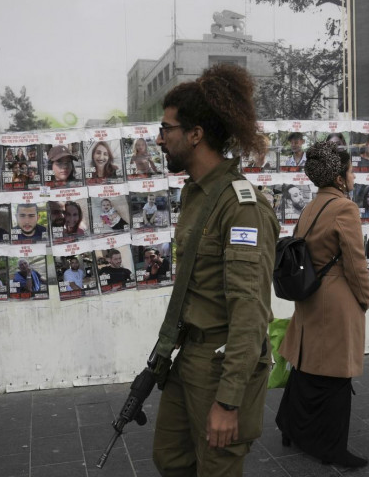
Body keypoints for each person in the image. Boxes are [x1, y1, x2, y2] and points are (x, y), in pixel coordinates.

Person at [152, 63, 279, 476]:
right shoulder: (196, 193)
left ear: (195, 134)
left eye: (166, 128)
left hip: (220, 364)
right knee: (170, 459)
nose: (159, 139)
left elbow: (250, 310)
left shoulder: (241, 206)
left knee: (216, 469)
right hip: (188, 354)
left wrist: (228, 401)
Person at [276, 140, 369, 468]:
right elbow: (355, 263)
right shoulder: (345, 208)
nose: (354, 176)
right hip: (335, 303)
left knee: (306, 368)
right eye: (351, 170)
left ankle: (290, 425)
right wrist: (365, 298)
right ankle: (332, 448)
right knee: (336, 377)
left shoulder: (310, 206)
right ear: (339, 177)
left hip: (310, 299)